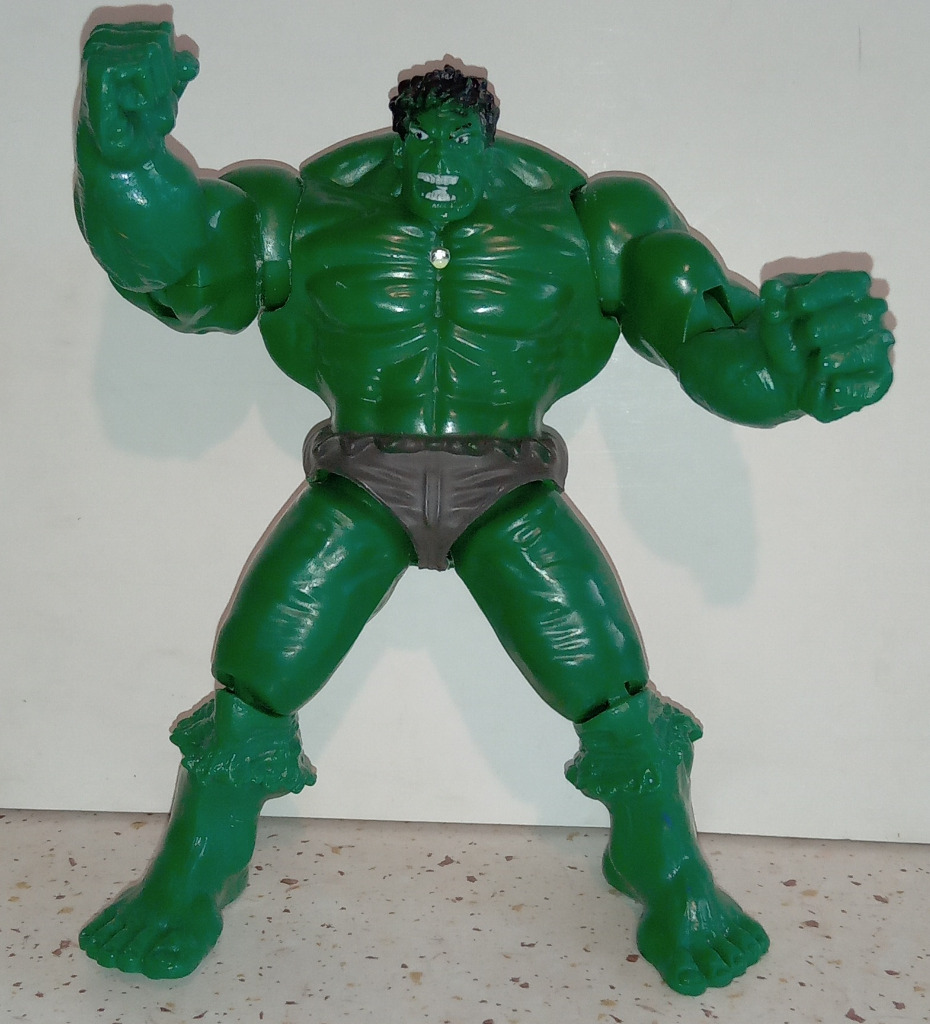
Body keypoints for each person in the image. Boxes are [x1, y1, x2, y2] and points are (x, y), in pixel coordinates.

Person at [75, 21, 893, 995]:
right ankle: (202, 863)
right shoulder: (302, 210)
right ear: (400, 138)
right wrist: (121, 158)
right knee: (257, 665)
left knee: (609, 679)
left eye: (458, 144)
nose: (439, 164)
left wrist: (790, 371)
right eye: (422, 143)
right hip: (363, 475)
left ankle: (664, 863)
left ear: (487, 139)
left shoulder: (592, 221)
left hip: (505, 482)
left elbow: (706, 341)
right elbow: (181, 266)